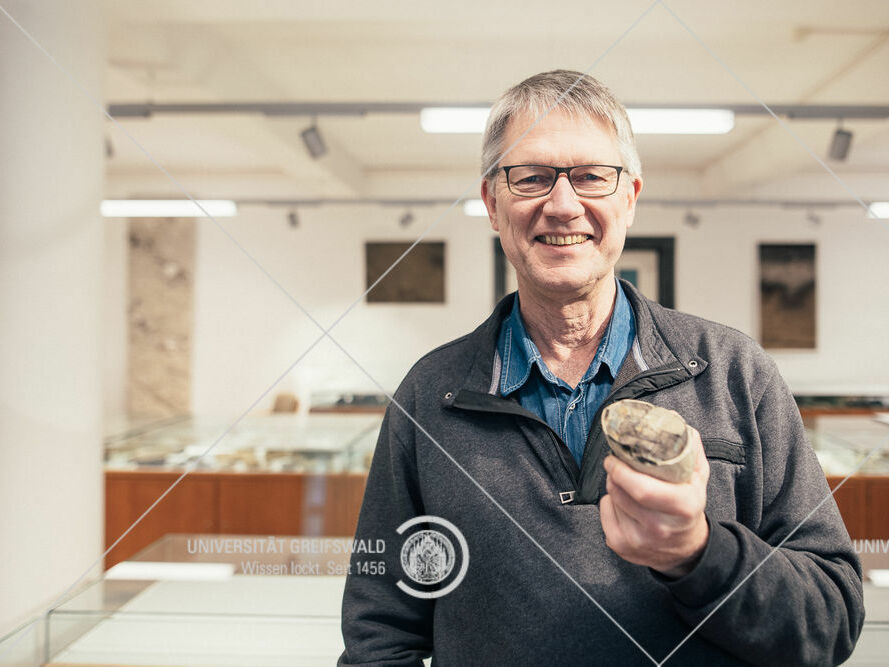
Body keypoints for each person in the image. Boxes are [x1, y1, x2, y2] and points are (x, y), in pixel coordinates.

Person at [339, 70, 864, 666]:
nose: (563, 205)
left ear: (631, 197)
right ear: (491, 203)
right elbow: (379, 631)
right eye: (531, 177)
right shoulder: (430, 394)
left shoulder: (736, 374)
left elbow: (830, 619)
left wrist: (697, 553)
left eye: (591, 176)